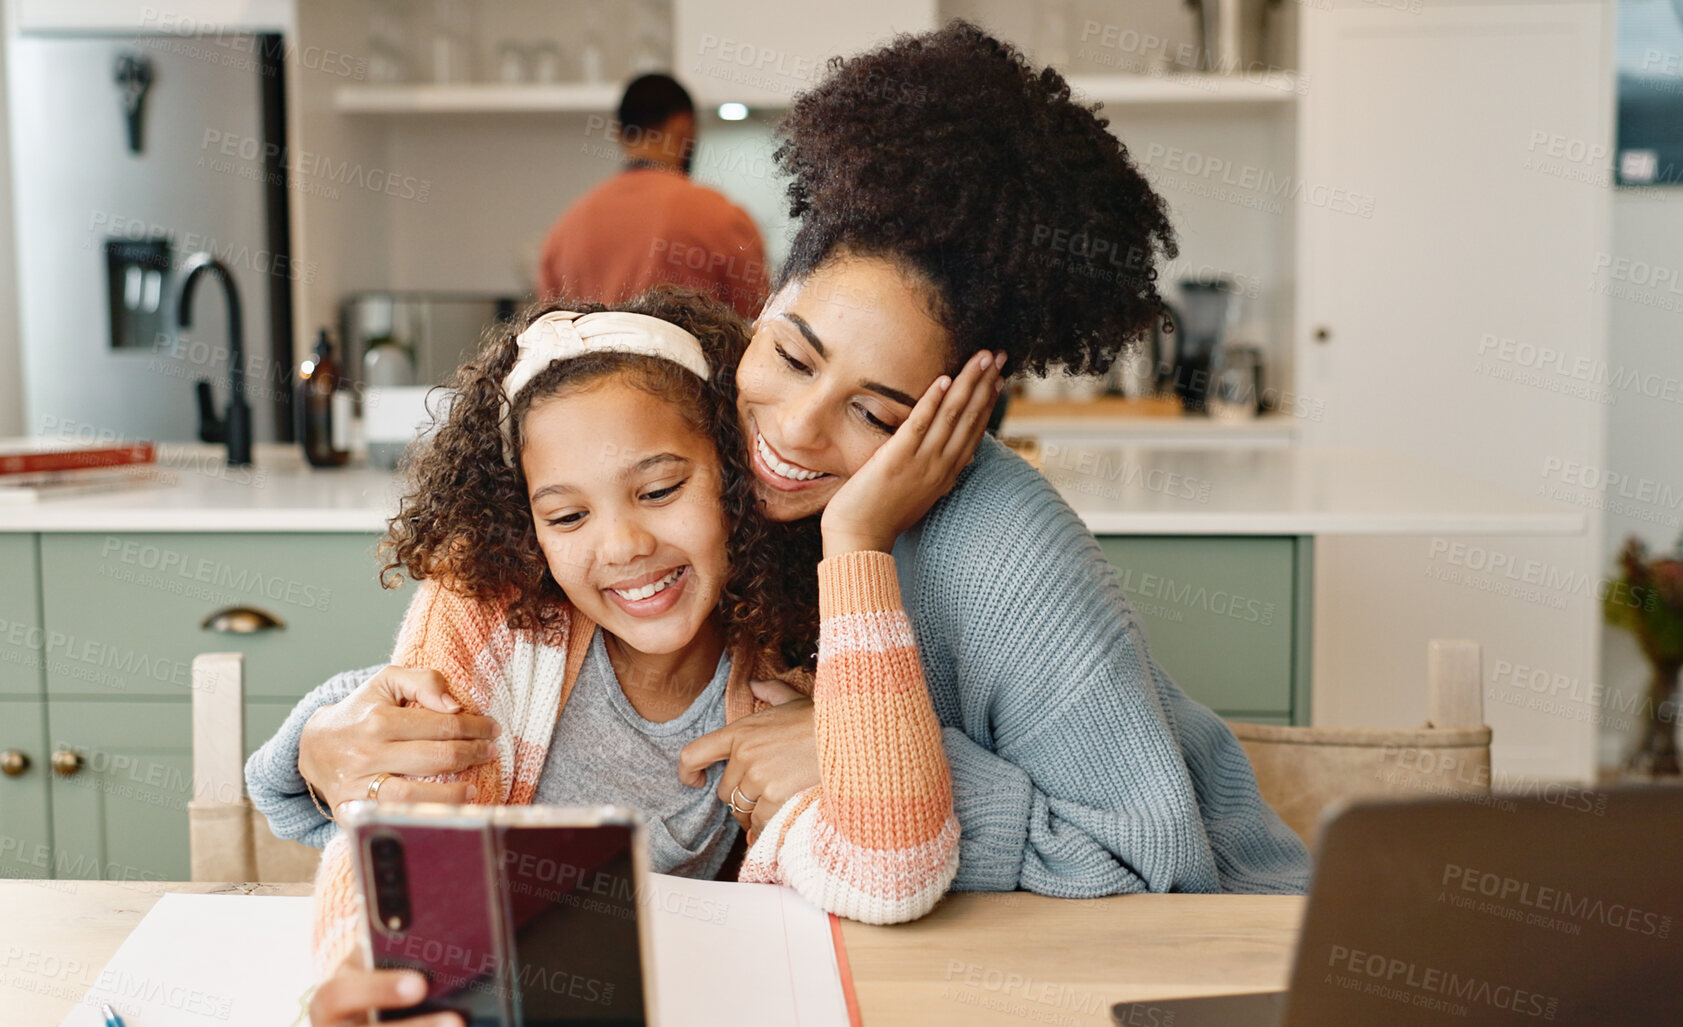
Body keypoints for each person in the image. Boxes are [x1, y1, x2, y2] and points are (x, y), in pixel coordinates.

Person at [271, 21, 1311, 1018]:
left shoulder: (1002, 543)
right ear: (761, 306)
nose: (800, 433)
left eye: (876, 411)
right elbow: (497, 647)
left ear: (957, 416)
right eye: (797, 353)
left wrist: (863, 749)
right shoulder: (692, 427)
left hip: (1219, 957)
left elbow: (1154, 868)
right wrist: (320, 742)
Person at [292, 287, 996, 1019]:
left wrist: (855, 543)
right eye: (567, 515)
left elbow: (892, 874)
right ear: (527, 526)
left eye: (659, 488)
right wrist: (357, 972)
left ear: (733, 475)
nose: (622, 544)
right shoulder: (487, 612)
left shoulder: (795, 648)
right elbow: (401, 820)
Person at [536, 73, 769, 318]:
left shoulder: (565, 229)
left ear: (621, 134)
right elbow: (760, 321)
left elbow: (550, 329)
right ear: (684, 127)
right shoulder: (720, 216)